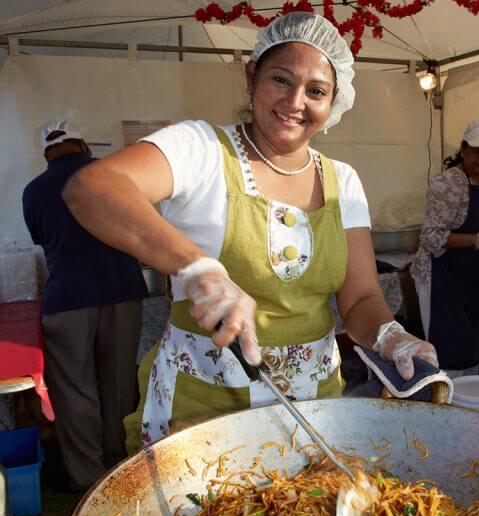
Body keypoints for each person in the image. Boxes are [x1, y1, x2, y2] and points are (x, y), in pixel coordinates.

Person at [62, 12, 439, 453]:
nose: (296, 101)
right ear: (252, 76)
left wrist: (390, 334)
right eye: (281, 79)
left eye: (316, 91)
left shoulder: (344, 181)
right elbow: (92, 188)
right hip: (201, 407)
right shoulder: (201, 150)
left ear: (333, 103)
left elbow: (358, 298)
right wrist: (198, 268)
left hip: (310, 408)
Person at [22, 121, 148, 490]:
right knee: (120, 382)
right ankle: (121, 464)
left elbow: (43, 241)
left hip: (68, 302)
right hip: (123, 291)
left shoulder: (33, 191)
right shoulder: (116, 175)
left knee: (75, 389)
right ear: (82, 144)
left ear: (47, 154)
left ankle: (88, 478)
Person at [411, 121, 479, 378]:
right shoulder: (446, 183)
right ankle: (444, 402)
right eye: (478, 151)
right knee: (447, 350)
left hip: (473, 280)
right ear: (463, 149)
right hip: (442, 279)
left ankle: (469, 400)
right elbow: (430, 236)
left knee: (471, 348)